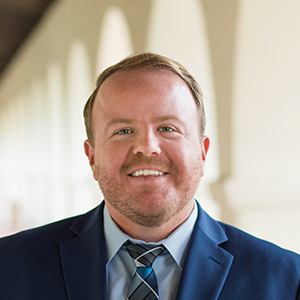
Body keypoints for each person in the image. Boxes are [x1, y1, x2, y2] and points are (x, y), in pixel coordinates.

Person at [0, 52, 299, 300]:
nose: (147, 147)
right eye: (123, 131)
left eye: (167, 128)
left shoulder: (287, 280)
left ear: (203, 151)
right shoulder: (9, 267)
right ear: (92, 157)